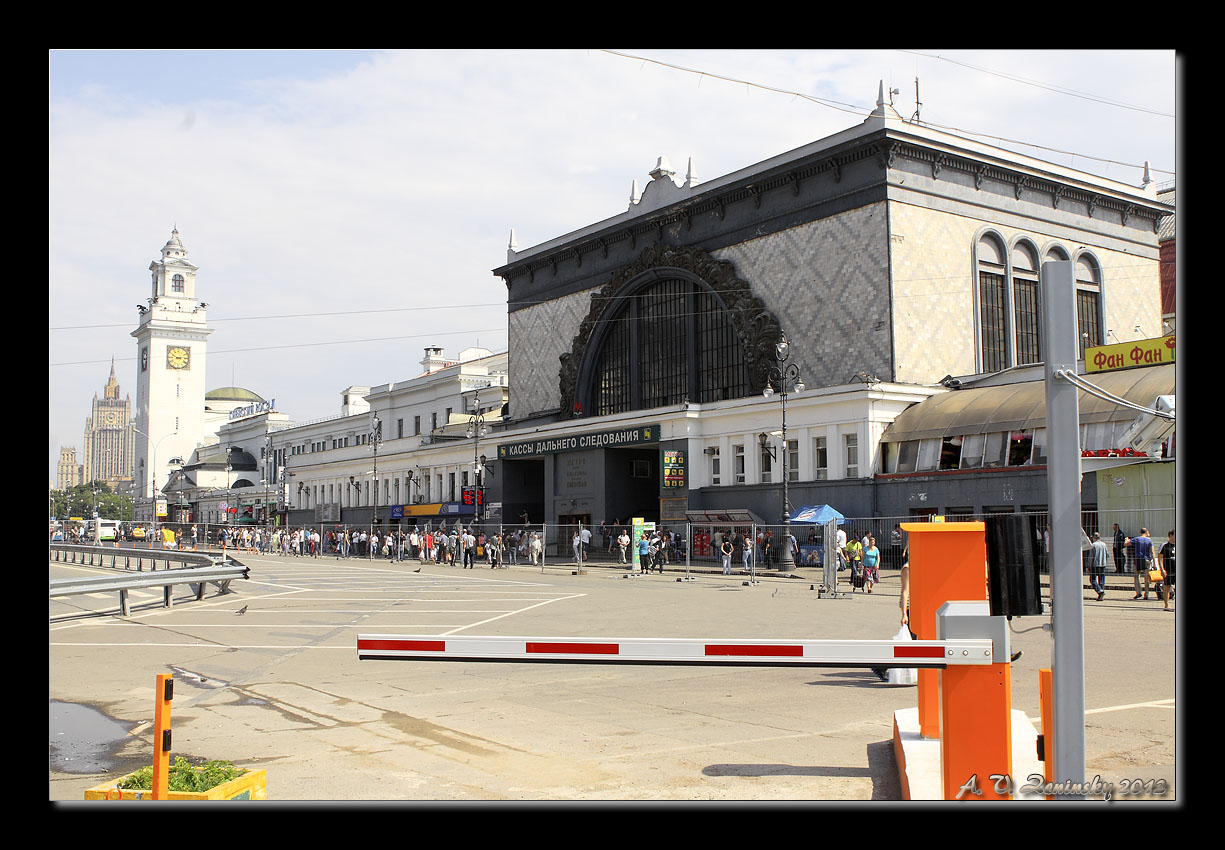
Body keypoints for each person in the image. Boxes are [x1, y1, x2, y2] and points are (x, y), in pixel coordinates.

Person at [1131, 528, 1155, 600]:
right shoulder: (1149, 540)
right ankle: (1146, 594)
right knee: (1146, 577)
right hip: (1146, 559)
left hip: (1138, 559)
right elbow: (1152, 552)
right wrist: (1154, 562)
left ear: (1140, 532)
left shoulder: (1136, 539)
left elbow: (1126, 544)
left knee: (1136, 576)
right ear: (1147, 532)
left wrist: (1126, 540)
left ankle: (1138, 592)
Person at [1089, 531, 1109, 601]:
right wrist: (1105, 561)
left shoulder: (1093, 545)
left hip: (1095, 565)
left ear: (1094, 538)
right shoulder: (1104, 544)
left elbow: (1091, 556)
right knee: (1102, 579)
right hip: (1102, 564)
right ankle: (1101, 592)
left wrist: (1088, 565)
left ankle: (1099, 591)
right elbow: (1107, 554)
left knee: (1092, 579)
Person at [1159, 530, 1175, 611]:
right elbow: (1160, 558)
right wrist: (1162, 569)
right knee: (1167, 588)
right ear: (1171, 536)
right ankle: (1166, 605)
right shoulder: (1165, 546)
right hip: (1168, 570)